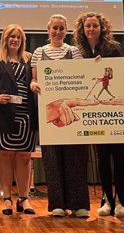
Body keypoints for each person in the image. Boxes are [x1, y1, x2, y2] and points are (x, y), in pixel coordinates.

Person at [31, 14, 89, 218]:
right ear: (48, 29)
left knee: (76, 157)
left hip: (70, 110)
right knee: (52, 158)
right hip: (48, 113)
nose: (57, 32)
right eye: (54, 28)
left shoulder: (74, 52)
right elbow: (34, 79)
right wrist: (34, 84)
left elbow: (81, 77)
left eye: (61, 28)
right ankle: (57, 204)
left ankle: (79, 204)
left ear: (66, 31)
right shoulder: (39, 52)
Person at [73, 11, 124, 218]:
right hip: (94, 114)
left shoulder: (114, 48)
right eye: (87, 26)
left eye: (95, 25)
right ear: (82, 29)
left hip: (115, 113)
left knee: (119, 157)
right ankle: (107, 200)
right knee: (102, 157)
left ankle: (122, 201)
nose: (91, 29)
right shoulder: (79, 52)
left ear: (101, 27)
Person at [0, 24, 38, 216]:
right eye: (11, 37)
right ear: (5, 39)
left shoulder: (30, 58)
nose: (15, 40)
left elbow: (35, 81)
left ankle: (24, 198)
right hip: (3, 114)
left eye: (18, 37)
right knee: (5, 154)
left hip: (26, 115)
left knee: (24, 156)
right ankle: (6, 198)